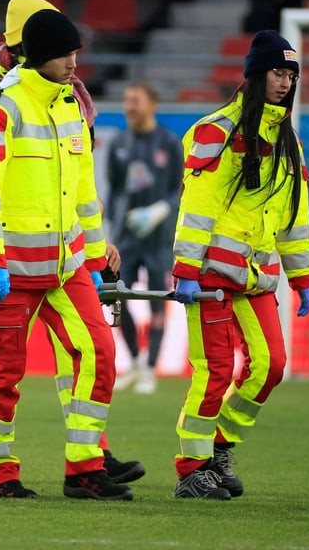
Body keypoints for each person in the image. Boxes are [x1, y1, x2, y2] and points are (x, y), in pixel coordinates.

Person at [0, 0, 143, 487]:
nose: (74, 62)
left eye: (75, 52)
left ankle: (86, 468)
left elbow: (85, 195)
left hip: (64, 268)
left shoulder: (70, 103)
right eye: (65, 53)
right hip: (9, 269)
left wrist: (97, 258)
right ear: (38, 54)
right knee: (3, 373)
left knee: (100, 353)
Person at [170, 29, 309, 500]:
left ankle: (219, 445)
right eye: (277, 72)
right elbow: (198, 206)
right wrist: (186, 269)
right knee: (212, 369)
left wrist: (302, 276)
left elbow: (294, 217)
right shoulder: (217, 131)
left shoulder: (288, 141)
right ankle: (192, 469)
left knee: (271, 364)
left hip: (257, 276)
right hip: (211, 273)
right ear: (254, 75)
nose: (285, 82)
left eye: (291, 74)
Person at [107, 82, 184, 395]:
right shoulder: (120, 142)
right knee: (118, 299)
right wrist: (112, 227)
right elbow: (114, 187)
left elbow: (180, 188)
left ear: (152, 104)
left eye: (135, 100)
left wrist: (160, 211)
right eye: (126, 101)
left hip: (158, 237)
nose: (129, 107)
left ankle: (151, 368)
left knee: (156, 301)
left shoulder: (168, 142)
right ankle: (135, 363)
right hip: (126, 237)